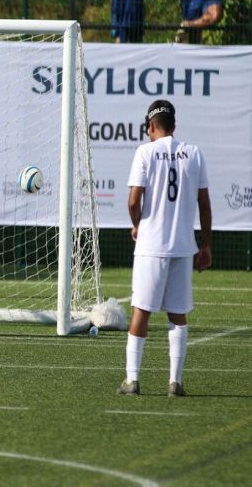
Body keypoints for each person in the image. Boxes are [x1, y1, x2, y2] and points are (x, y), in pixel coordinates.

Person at [117, 100, 212, 397]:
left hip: (151, 246)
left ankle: (132, 380)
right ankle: (175, 382)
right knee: (178, 315)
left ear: (151, 126)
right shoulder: (194, 153)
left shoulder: (145, 152)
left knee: (140, 311)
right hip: (183, 247)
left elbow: (134, 201)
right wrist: (206, 243)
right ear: (174, 125)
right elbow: (204, 204)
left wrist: (138, 225)